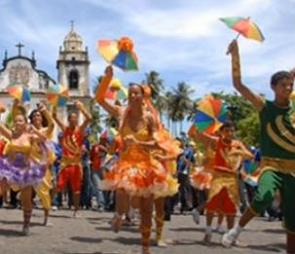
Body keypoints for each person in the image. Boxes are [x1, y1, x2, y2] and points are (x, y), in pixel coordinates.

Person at [222, 39, 295, 254]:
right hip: (271, 166)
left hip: (294, 170)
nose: (288, 87)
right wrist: (235, 55)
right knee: (264, 196)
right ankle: (237, 229)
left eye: (290, 84)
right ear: (273, 88)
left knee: (293, 222)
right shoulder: (265, 107)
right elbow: (238, 85)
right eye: (283, 85)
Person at [96, 65, 173, 254]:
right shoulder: (122, 113)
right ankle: (119, 215)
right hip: (126, 163)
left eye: (135, 93)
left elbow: (158, 143)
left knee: (147, 210)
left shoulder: (149, 118)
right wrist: (107, 79)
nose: (131, 96)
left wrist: (138, 142)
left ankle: (145, 247)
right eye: (129, 93)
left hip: (147, 165)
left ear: (142, 96)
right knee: (122, 189)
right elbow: (100, 99)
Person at [189, 121, 253, 244]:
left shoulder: (237, 144)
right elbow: (199, 135)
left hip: (232, 179)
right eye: (227, 131)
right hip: (218, 177)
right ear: (222, 132)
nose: (230, 133)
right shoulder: (216, 141)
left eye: (232, 131)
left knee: (231, 207)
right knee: (212, 204)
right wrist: (199, 124)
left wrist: (239, 152)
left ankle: (231, 236)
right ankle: (208, 233)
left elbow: (250, 156)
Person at [0, 102, 47, 235]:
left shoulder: (30, 136)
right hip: (10, 168)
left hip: (26, 171)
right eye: (15, 121)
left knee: (26, 199)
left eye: (20, 121)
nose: (17, 123)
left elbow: (44, 139)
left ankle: (26, 224)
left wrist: (35, 129)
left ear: (25, 122)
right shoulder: (11, 135)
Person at [52, 100, 92, 217]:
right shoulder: (65, 129)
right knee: (59, 185)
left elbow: (89, 118)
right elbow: (54, 117)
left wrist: (81, 108)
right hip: (65, 163)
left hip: (76, 164)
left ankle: (76, 210)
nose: (74, 120)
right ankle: (49, 201)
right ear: (69, 119)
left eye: (75, 118)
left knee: (76, 188)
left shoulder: (80, 130)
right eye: (72, 118)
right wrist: (54, 104)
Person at [29, 102, 55, 226]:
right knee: (27, 191)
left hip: (43, 166)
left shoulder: (46, 130)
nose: (36, 117)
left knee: (44, 192)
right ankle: (26, 218)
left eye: (39, 116)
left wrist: (45, 110)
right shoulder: (28, 131)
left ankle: (46, 218)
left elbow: (52, 124)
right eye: (34, 116)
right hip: (30, 165)